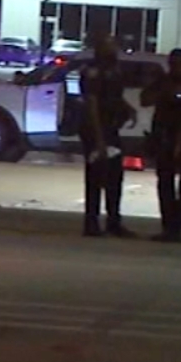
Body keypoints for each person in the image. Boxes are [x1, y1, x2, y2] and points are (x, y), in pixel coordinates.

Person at [80, 35, 135, 238]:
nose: (115, 50)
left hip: (111, 129)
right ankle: (91, 223)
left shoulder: (114, 69)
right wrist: (99, 138)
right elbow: (92, 104)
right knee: (95, 178)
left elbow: (115, 96)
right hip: (96, 130)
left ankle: (114, 222)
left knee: (115, 177)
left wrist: (128, 109)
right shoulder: (93, 71)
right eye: (111, 46)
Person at [141, 49, 181, 243]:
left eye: (179, 64)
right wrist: (162, 91)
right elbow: (145, 99)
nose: (176, 68)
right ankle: (170, 227)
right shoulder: (163, 81)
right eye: (173, 64)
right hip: (164, 136)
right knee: (165, 184)